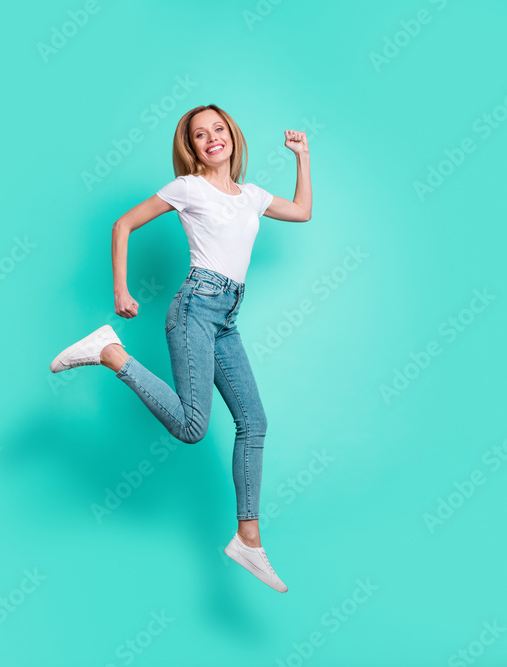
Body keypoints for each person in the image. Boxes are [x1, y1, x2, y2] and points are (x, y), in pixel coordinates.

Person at [49, 104, 311, 593]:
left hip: (226, 315)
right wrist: (121, 291)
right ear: (190, 148)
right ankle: (110, 352)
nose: (211, 138)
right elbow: (122, 225)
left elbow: (302, 211)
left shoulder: (251, 196)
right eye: (198, 135)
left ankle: (247, 540)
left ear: (232, 136)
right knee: (193, 427)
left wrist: (302, 155)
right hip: (195, 306)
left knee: (254, 422)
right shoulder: (188, 188)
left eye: (218, 129)